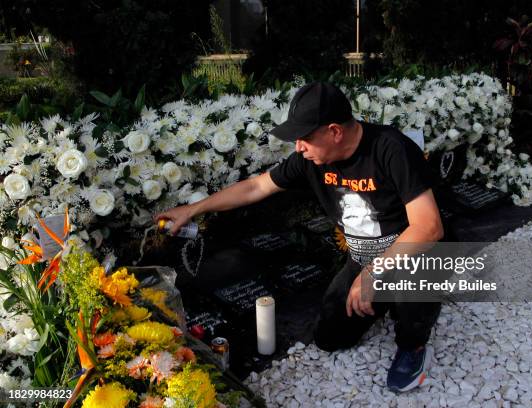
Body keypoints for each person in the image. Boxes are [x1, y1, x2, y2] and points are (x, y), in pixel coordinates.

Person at [154, 82, 444, 393]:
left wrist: (375, 274)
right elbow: (256, 187)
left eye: (305, 138)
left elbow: (429, 227)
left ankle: (414, 344)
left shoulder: (391, 148)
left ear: (334, 132)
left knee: (416, 280)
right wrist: (194, 209)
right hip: (363, 259)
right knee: (331, 337)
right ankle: (385, 298)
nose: (299, 147)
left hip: (411, 255)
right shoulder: (309, 160)